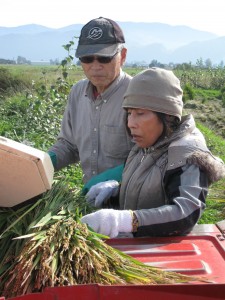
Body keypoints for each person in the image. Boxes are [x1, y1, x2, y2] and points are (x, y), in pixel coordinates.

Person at [81, 67, 225, 238]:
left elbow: (184, 213)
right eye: (129, 113)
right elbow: (145, 194)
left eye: (140, 114)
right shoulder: (143, 147)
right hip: (137, 249)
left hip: (162, 257)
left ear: (168, 116)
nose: (131, 123)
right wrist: (114, 194)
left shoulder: (186, 155)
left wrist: (125, 221)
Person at [48, 17, 133, 183]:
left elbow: (152, 157)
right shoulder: (78, 93)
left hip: (129, 202)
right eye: (87, 58)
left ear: (122, 56)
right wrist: (45, 162)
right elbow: (69, 145)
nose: (95, 66)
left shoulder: (136, 95)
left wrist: (115, 178)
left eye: (104, 58)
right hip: (90, 199)